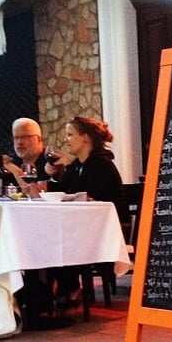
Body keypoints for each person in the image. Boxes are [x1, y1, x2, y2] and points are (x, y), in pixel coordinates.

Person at [44, 116, 129, 307]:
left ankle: (70, 288)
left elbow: (90, 196)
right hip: (85, 226)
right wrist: (56, 174)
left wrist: (67, 167)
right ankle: (65, 289)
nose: (66, 139)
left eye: (70, 134)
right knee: (48, 238)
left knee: (59, 239)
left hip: (108, 229)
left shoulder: (102, 165)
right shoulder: (78, 166)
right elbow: (66, 191)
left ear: (85, 138)